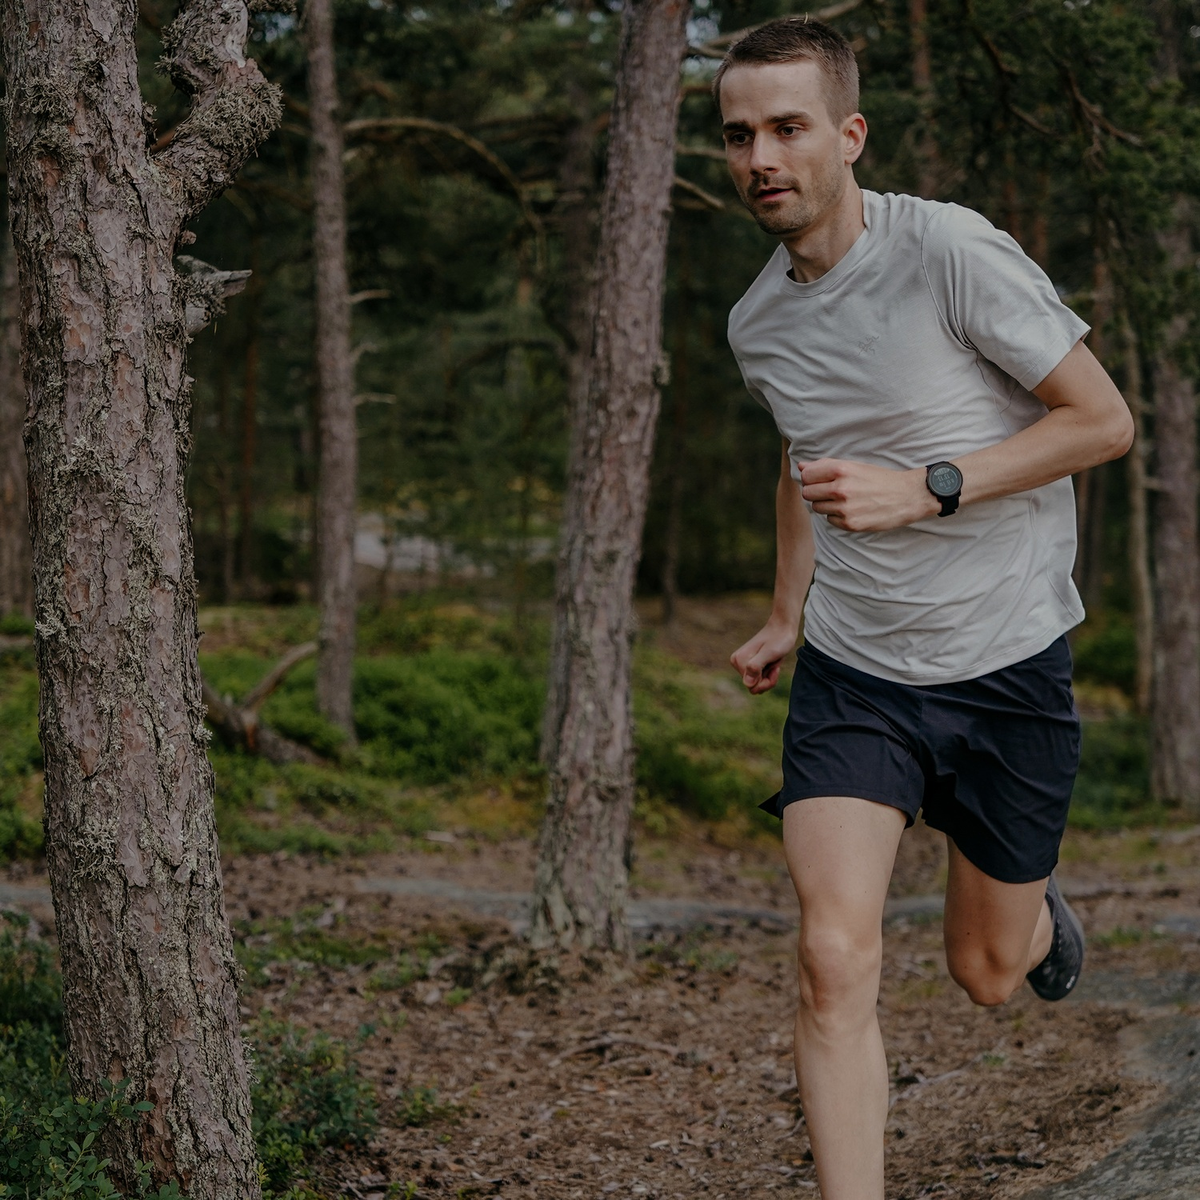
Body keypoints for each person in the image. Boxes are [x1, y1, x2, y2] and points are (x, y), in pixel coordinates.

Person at [720, 18, 1133, 1200]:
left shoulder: (951, 253)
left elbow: (1102, 422)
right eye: (740, 133)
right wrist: (787, 609)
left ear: (848, 135)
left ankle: (1037, 919)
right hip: (858, 675)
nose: (762, 157)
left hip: (1006, 660)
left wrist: (931, 488)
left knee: (988, 973)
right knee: (832, 956)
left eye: (789, 127)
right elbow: (806, 458)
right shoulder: (759, 323)